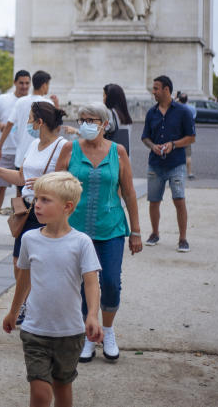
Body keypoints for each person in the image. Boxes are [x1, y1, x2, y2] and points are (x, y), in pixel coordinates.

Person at [1, 171, 102, 407]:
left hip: (70, 332)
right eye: (37, 199)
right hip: (35, 330)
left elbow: (91, 282)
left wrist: (93, 315)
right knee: (40, 393)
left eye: (45, 200)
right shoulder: (29, 239)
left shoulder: (81, 242)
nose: (37, 205)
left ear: (67, 206)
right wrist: (13, 312)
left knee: (62, 388)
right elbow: (24, 280)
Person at [55, 103, 143, 363]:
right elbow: (56, 185)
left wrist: (136, 230)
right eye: (82, 119)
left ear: (105, 124)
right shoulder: (70, 149)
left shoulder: (119, 152)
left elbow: (128, 192)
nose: (86, 124)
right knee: (83, 284)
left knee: (111, 283)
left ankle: (108, 329)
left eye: (92, 120)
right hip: (77, 229)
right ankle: (88, 334)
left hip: (111, 227)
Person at [0, 102, 68, 326]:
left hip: (46, 212)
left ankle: (32, 307)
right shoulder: (33, 145)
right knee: (18, 262)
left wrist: (44, 182)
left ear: (40, 122)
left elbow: (69, 181)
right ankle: (28, 304)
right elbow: (22, 178)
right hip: (27, 210)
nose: (27, 123)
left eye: (30, 119)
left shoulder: (62, 146)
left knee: (38, 264)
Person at [141, 75, 196, 252]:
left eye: (156, 88)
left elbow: (191, 137)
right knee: (153, 201)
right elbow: (145, 137)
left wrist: (173, 144)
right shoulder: (151, 113)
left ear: (166, 90)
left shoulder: (183, 111)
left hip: (176, 164)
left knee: (179, 200)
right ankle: (155, 233)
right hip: (155, 163)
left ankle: (183, 238)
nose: (153, 92)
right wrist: (153, 146)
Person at [0, 70, 31, 237]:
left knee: (20, 192)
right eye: (21, 83)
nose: (24, 86)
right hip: (5, 152)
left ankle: (18, 225)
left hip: (24, 152)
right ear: (15, 83)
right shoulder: (3, 99)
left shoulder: (31, 101)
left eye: (27, 83)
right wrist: (1, 126)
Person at [0, 70, 58, 169]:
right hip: (41, 159)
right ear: (44, 85)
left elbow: (9, 125)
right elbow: (56, 129)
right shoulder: (48, 104)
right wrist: (56, 106)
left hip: (21, 158)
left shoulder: (20, 102)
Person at [103, 83, 132, 155]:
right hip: (124, 156)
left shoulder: (109, 112)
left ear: (109, 97)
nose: (103, 98)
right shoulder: (125, 115)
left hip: (111, 156)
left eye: (104, 95)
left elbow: (103, 130)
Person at [176, 92, 197, 180]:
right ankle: (189, 173)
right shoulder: (192, 108)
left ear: (179, 99)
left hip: (178, 133)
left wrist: (176, 100)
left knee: (176, 154)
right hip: (188, 133)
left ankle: (176, 173)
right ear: (187, 100)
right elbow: (194, 117)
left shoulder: (177, 108)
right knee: (188, 155)